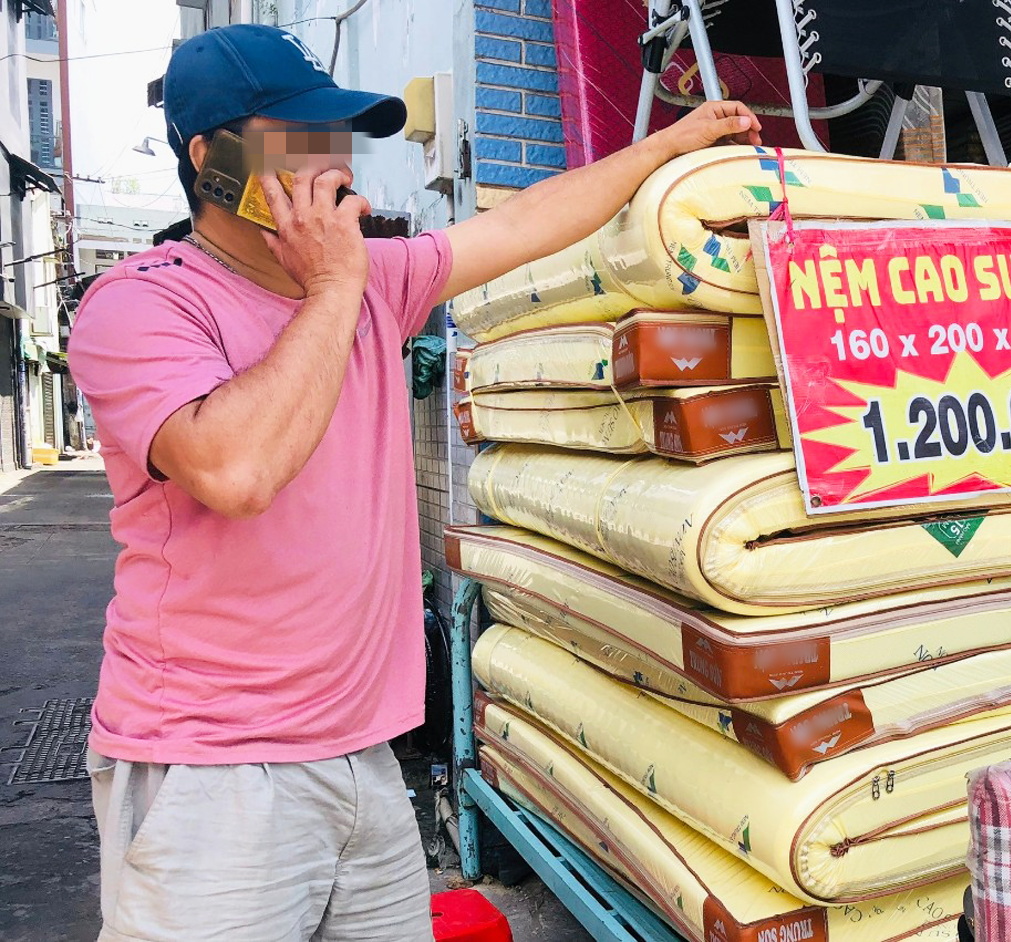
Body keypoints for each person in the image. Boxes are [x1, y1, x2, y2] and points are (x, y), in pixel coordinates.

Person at [67, 23, 760, 942]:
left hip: (365, 756)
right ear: (213, 157)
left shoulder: (366, 283)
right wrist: (329, 291)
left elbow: (518, 224)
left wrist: (666, 145)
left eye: (337, 136)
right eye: (299, 138)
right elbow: (236, 469)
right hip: (213, 770)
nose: (332, 161)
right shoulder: (145, 302)